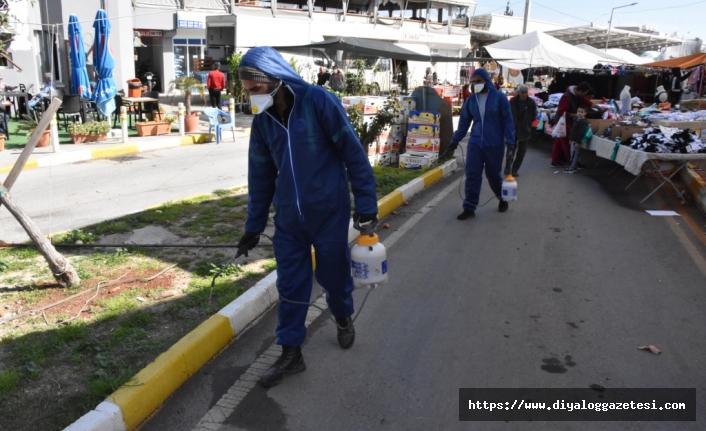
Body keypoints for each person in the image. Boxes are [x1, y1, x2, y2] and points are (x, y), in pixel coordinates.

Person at [236, 47, 378, 388]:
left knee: (334, 275)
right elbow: (260, 178)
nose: (251, 98)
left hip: (328, 212)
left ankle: (343, 316)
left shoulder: (317, 101)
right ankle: (290, 353)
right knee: (291, 285)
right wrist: (253, 227)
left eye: (254, 90)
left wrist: (367, 204)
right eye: (247, 92)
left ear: (273, 80)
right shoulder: (263, 123)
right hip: (288, 221)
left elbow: (353, 154)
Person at [447, 68, 515, 220]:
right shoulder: (471, 100)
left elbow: (507, 121)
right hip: (475, 143)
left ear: (486, 81)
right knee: (472, 175)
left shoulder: (499, 98)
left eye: (478, 81)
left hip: (495, 143)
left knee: (493, 175)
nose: (476, 84)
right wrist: (454, 141)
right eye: (473, 82)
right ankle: (469, 207)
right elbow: (464, 123)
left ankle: (502, 197)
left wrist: (510, 142)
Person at [551, 81, 591, 168]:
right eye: (585, 93)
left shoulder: (577, 95)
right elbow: (561, 112)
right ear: (581, 91)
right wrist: (575, 115)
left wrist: (599, 107)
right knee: (567, 143)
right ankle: (571, 162)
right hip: (563, 122)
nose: (584, 95)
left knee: (559, 142)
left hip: (565, 121)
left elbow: (588, 103)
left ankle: (556, 161)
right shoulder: (567, 97)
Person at [506, 84, 537, 177]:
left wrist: (527, 123)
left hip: (525, 129)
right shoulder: (512, 101)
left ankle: (515, 169)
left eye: (526, 93)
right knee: (511, 150)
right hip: (513, 129)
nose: (524, 94)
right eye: (522, 92)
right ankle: (508, 167)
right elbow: (508, 113)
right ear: (518, 93)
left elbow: (533, 115)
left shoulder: (531, 102)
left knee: (521, 152)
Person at [564, 106, 590, 174]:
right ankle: (573, 166)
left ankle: (572, 167)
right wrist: (570, 139)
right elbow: (573, 130)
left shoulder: (583, 121)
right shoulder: (577, 119)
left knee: (574, 154)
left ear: (585, 113)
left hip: (576, 141)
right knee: (572, 153)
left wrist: (577, 141)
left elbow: (581, 132)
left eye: (582, 112)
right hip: (573, 140)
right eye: (578, 111)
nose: (579, 113)